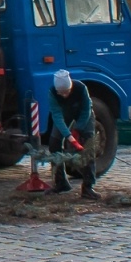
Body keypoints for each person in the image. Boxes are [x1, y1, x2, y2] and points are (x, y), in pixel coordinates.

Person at [47, 68, 100, 199]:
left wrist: (77, 130)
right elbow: (57, 116)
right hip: (64, 114)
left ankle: (88, 187)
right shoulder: (52, 92)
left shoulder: (81, 88)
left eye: (66, 92)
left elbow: (86, 111)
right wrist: (69, 136)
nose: (64, 95)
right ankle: (61, 183)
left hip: (84, 115)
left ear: (70, 87)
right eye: (61, 93)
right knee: (54, 143)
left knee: (88, 146)